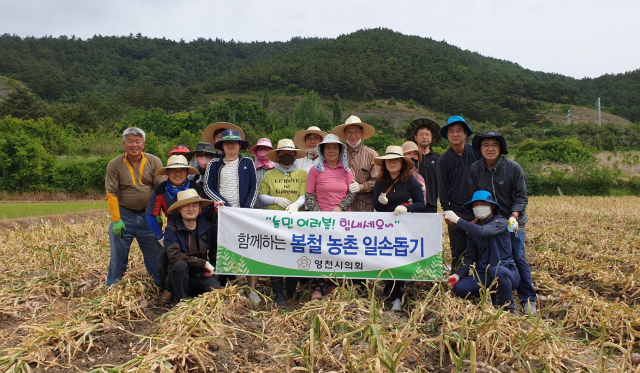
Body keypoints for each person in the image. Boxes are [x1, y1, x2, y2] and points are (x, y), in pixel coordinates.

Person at [470, 131, 538, 315]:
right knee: (491, 258)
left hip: (512, 221)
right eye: (486, 145)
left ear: (500, 149)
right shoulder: (476, 168)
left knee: (517, 256)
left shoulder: (513, 168)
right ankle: (495, 294)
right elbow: (475, 195)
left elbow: (521, 196)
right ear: (480, 149)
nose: (490, 149)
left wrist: (514, 215)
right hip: (490, 222)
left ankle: (528, 299)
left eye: (494, 145)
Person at [203, 128, 259, 303]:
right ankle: (216, 289)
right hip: (221, 215)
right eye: (227, 143)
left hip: (243, 215)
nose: (231, 146)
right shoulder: (214, 164)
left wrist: (245, 210)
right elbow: (207, 187)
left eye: (234, 143)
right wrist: (222, 205)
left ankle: (252, 290)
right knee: (219, 251)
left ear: (239, 145)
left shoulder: (247, 162)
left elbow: (253, 187)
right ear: (222, 146)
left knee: (248, 250)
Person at [443, 191, 520, 313]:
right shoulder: (473, 230)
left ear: (492, 206)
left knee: (497, 270)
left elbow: (482, 231)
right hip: (484, 275)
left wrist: (458, 220)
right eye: (476, 205)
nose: (479, 207)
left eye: (483, 204)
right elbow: (469, 257)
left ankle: (508, 309)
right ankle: (491, 296)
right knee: (459, 288)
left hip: (507, 273)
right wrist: (457, 275)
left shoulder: (500, 222)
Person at [105, 127, 163, 286]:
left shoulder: (154, 161)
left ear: (143, 144)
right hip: (125, 216)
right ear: (124, 143)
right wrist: (117, 220)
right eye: (130, 141)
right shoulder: (115, 164)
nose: (134, 145)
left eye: (138, 141)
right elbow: (110, 193)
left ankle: (160, 287)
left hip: (149, 216)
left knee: (154, 254)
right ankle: (113, 287)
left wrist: (157, 214)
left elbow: (160, 190)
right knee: (118, 255)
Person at [145, 154, 205, 304]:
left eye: (181, 170)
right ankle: (168, 288)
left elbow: (202, 214)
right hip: (173, 232)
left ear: (187, 173)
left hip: (194, 230)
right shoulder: (159, 191)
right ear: (167, 173)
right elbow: (151, 216)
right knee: (165, 256)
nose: (177, 174)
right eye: (173, 171)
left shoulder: (196, 188)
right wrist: (160, 237)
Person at [373, 146, 425, 311]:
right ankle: (388, 290)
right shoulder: (380, 182)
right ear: (384, 164)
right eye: (389, 160)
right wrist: (381, 203)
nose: (392, 163)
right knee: (386, 258)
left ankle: (397, 296)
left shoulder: (410, 181)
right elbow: (376, 206)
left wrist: (406, 209)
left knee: (400, 260)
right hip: (386, 228)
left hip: (404, 228)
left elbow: (421, 203)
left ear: (402, 163)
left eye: (396, 160)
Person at [257, 138, 308, 308]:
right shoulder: (269, 174)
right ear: (278, 155)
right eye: (283, 153)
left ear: (295, 155)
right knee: (276, 256)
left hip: (296, 221)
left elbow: (304, 195)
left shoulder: (302, 174)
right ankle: (279, 295)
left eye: (290, 153)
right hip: (274, 221)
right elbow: (261, 195)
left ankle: (291, 292)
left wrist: (297, 204)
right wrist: (275, 199)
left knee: (293, 255)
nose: (287, 156)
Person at [305, 134, 356, 300]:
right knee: (319, 252)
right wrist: (319, 214)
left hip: (342, 219)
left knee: (338, 251)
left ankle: (333, 284)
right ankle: (317, 287)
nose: (332, 151)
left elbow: (351, 193)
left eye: (335, 148)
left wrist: (340, 207)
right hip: (320, 218)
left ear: (340, 151)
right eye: (328, 148)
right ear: (322, 150)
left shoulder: (347, 171)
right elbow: (309, 194)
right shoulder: (315, 170)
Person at [437, 116, 481, 271]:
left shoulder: (476, 153)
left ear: (465, 134)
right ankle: (458, 281)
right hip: (456, 210)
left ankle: (481, 281)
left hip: (478, 208)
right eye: (451, 131)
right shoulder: (443, 160)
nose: (455, 134)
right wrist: (447, 210)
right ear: (447, 135)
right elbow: (442, 188)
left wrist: (481, 212)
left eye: (458, 131)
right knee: (458, 250)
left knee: (480, 248)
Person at [165, 189, 221, 303]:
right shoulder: (171, 229)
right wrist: (203, 263)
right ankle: (181, 302)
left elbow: (224, 242)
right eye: (186, 205)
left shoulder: (208, 227)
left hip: (201, 275)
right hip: (180, 278)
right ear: (179, 209)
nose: (191, 209)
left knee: (216, 290)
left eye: (194, 205)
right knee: (180, 264)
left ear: (200, 208)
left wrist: (222, 217)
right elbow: (174, 256)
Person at [331, 115, 379, 213]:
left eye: (356, 132)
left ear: (362, 133)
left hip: (363, 206)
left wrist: (361, 187)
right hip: (339, 206)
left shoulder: (372, 155)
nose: (353, 136)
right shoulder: (337, 154)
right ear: (344, 134)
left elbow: (377, 181)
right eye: (349, 132)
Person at [406, 118, 441, 213]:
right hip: (411, 203)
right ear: (415, 137)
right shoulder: (408, 158)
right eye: (421, 134)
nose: (424, 137)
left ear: (432, 137)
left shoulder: (439, 158)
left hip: (431, 202)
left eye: (427, 135)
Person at [250, 138, 276, 209]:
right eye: (259, 149)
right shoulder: (252, 168)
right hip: (255, 207)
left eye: (265, 148)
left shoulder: (277, 168)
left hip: (273, 207)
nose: (262, 152)